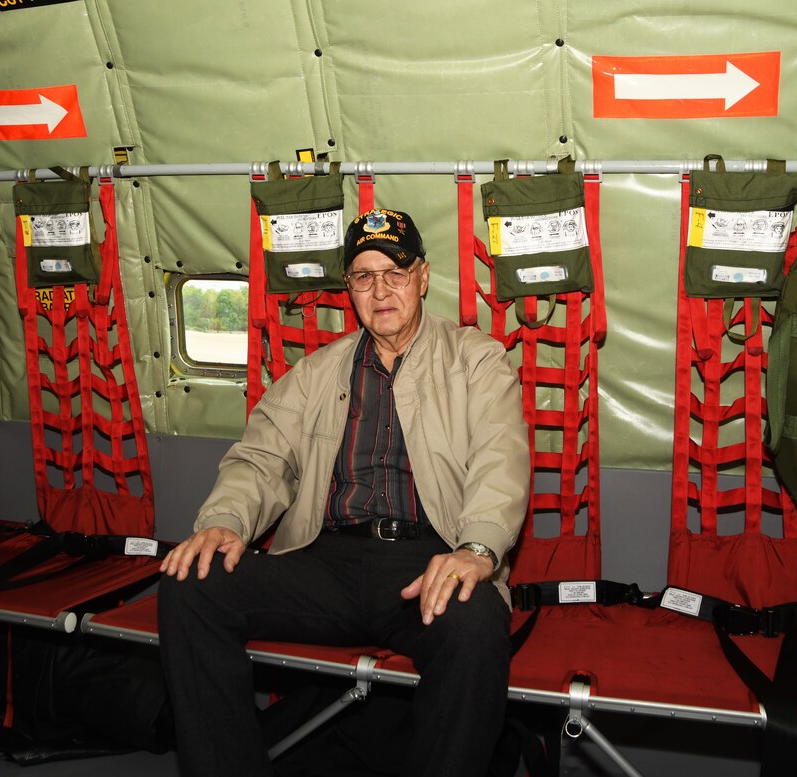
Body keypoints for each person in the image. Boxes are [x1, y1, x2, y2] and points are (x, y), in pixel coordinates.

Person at [158, 207, 530, 777]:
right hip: (326, 562)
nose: (380, 289)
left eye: (395, 272)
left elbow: (499, 460)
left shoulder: (476, 360)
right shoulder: (318, 372)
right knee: (192, 585)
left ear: (423, 278)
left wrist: (476, 550)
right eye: (363, 275)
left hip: (426, 562)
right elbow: (261, 458)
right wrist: (226, 522)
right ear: (349, 288)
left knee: (476, 623)